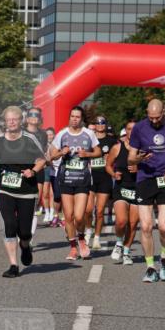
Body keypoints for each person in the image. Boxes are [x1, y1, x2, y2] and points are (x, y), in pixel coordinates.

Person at [129, 99, 165, 282]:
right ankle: (150, 267)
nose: (154, 121)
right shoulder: (139, 128)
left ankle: (164, 257)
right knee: (145, 226)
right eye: (150, 117)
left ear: (164, 112)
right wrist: (139, 159)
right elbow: (131, 159)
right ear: (147, 112)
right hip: (145, 179)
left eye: (157, 117)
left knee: (163, 227)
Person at [0, 106, 47, 277]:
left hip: (26, 190)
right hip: (4, 187)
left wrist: (33, 171)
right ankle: (13, 265)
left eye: (15, 119)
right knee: (10, 224)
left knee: (24, 231)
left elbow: (41, 160)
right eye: (9, 119)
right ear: (5, 122)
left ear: (21, 121)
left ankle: (25, 245)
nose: (12, 122)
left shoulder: (29, 139)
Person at [48, 106, 101, 260]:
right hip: (66, 179)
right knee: (69, 216)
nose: (74, 119)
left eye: (77, 117)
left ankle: (82, 238)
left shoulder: (89, 134)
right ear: (69, 118)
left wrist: (87, 154)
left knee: (79, 216)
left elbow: (99, 152)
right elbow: (51, 156)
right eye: (72, 116)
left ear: (81, 119)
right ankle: (73, 248)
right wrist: (60, 153)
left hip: (82, 180)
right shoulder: (62, 134)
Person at [108, 118, 140, 264]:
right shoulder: (117, 147)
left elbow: (152, 167)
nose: (131, 131)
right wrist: (114, 174)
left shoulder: (143, 148)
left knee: (133, 224)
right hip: (121, 187)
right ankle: (119, 243)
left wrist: (139, 169)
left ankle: (126, 252)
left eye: (134, 128)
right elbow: (108, 165)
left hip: (138, 188)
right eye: (129, 128)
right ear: (125, 131)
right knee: (121, 221)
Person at [85, 115, 116, 252]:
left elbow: (118, 155)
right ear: (94, 125)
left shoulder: (111, 140)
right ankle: (87, 233)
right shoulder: (89, 139)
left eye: (102, 122)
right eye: (97, 123)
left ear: (105, 124)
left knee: (99, 211)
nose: (100, 125)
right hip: (91, 177)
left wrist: (110, 159)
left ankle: (96, 238)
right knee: (87, 210)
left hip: (105, 178)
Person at [24, 107, 50, 220]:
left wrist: (46, 158)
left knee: (36, 200)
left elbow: (42, 152)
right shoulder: (20, 132)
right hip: (22, 168)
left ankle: (28, 234)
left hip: (38, 168)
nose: (34, 117)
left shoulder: (43, 134)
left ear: (40, 119)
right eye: (32, 114)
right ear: (27, 118)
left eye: (37, 115)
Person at [45, 126, 60, 225]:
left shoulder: (58, 144)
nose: (49, 136)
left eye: (51, 134)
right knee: (47, 193)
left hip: (59, 171)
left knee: (55, 194)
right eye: (48, 135)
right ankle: (49, 213)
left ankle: (54, 213)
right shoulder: (43, 145)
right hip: (48, 170)